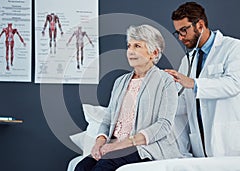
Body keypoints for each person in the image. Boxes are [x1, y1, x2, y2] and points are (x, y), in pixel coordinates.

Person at [75, 24, 182, 171]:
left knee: (103, 167)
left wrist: (117, 146)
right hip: (114, 146)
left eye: (137, 46)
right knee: (81, 167)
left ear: (154, 52)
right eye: (129, 45)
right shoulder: (120, 82)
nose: (130, 51)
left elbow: (163, 125)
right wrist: (99, 143)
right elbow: (108, 119)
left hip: (143, 146)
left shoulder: (165, 81)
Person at [165, 2, 240, 157]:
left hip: (229, 141)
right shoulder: (187, 61)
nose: (180, 37)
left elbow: (234, 84)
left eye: (184, 30)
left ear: (200, 25)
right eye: (178, 32)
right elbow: (183, 106)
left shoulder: (233, 47)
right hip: (201, 143)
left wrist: (193, 83)